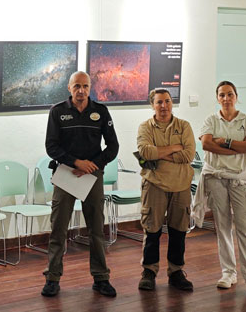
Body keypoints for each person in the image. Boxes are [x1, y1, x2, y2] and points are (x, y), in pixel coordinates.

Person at [40, 71, 119, 298]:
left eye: (85, 86)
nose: (81, 90)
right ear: (69, 88)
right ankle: (52, 278)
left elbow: (113, 147)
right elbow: (51, 146)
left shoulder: (101, 112)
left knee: (96, 229)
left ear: (90, 87)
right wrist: (76, 162)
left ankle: (101, 278)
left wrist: (91, 165)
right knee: (58, 229)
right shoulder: (57, 112)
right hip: (66, 175)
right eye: (77, 86)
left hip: (92, 176)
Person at [191, 81, 246, 297]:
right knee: (223, 227)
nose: (226, 98)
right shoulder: (211, 119)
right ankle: (228, 272)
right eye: (222, 95)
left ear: (236, 96)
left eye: (229, 94)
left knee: (244, 229)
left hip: (240, 180)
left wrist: (225, 143)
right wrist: (236, 148)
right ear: (217, 98)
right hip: (216, 179)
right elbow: (207, 145)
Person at [136, 88, 196, 291]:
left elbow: (188, 155)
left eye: (167, 101)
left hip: (181, 185)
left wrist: (159, 154)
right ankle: (149, 272)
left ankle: (176, 272)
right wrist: (173, 148)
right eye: (159, 102)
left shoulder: (184, 126)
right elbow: (145, 151)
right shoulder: (146, 127)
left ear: (172, 103)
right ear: (152, 105)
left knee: (178, 230)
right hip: (154, 184)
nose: (164, 106)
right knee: (152, 229)